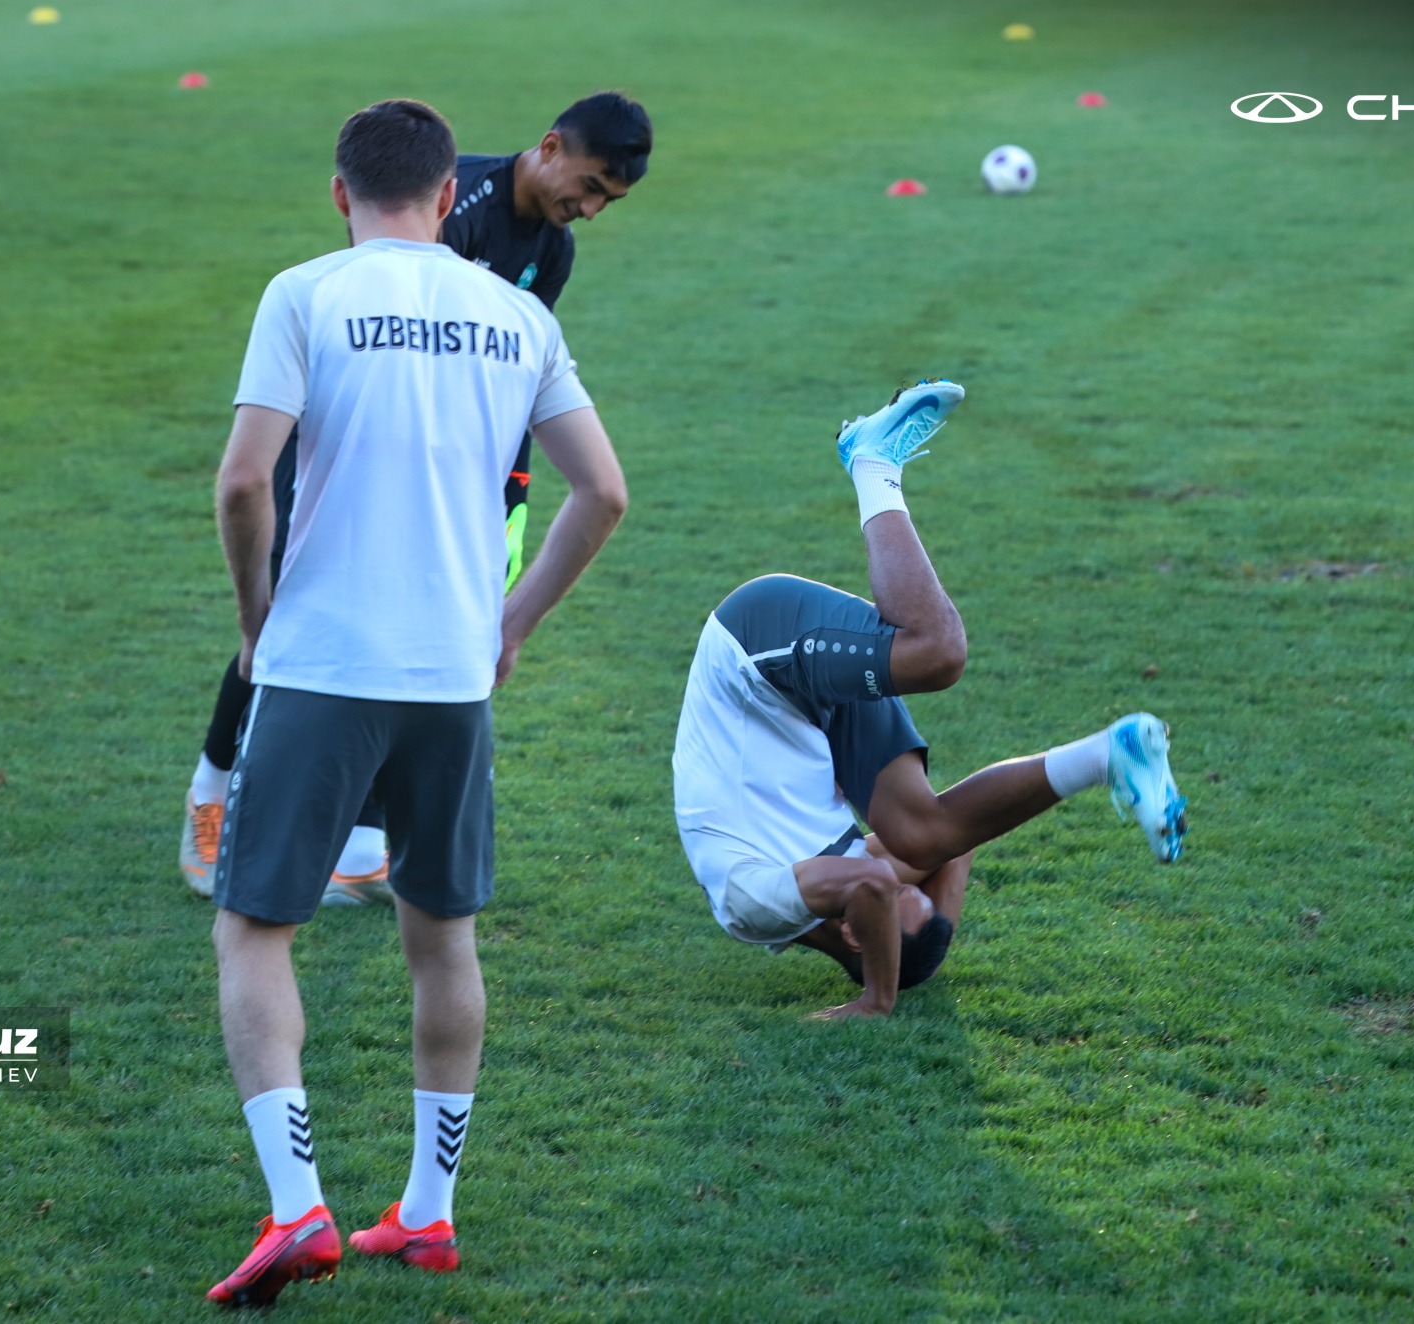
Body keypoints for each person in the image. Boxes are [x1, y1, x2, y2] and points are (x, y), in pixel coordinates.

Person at [203, 99, 627, 1307]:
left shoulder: (304, 294)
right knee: (442, 935)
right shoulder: (516, 312)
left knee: (255, 927)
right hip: (451, 675)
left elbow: (244, 479)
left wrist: (254, 619)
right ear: (451, 199)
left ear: (340, 195)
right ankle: (428, 1216)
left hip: (324, 662)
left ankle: (298, 1209)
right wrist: (512, 623)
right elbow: (602, 493)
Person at [181, 92, 654, 906]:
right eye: (589, 185)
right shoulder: (456, 203)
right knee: (291, 615)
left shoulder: (554, 246)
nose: (591, 208)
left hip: (456, 474)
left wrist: (506, 486)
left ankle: (361, 837)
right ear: (548, 147)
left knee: (407, 624)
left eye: (608, 200)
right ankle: (212, 793)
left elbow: (514, 387)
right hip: (349, 454)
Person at [670, 380, 1188, 1020]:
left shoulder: (752, 904)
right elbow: (950, 849)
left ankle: (871, 460)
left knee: (935, 653)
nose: (896, 882)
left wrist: (875, 1001)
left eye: (895, 899)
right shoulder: (855, 884)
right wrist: (917, 950)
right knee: (926, 834)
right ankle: (1109, 754)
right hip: (806, 711)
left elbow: (873, 883)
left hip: (751, 655)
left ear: (855, 930)